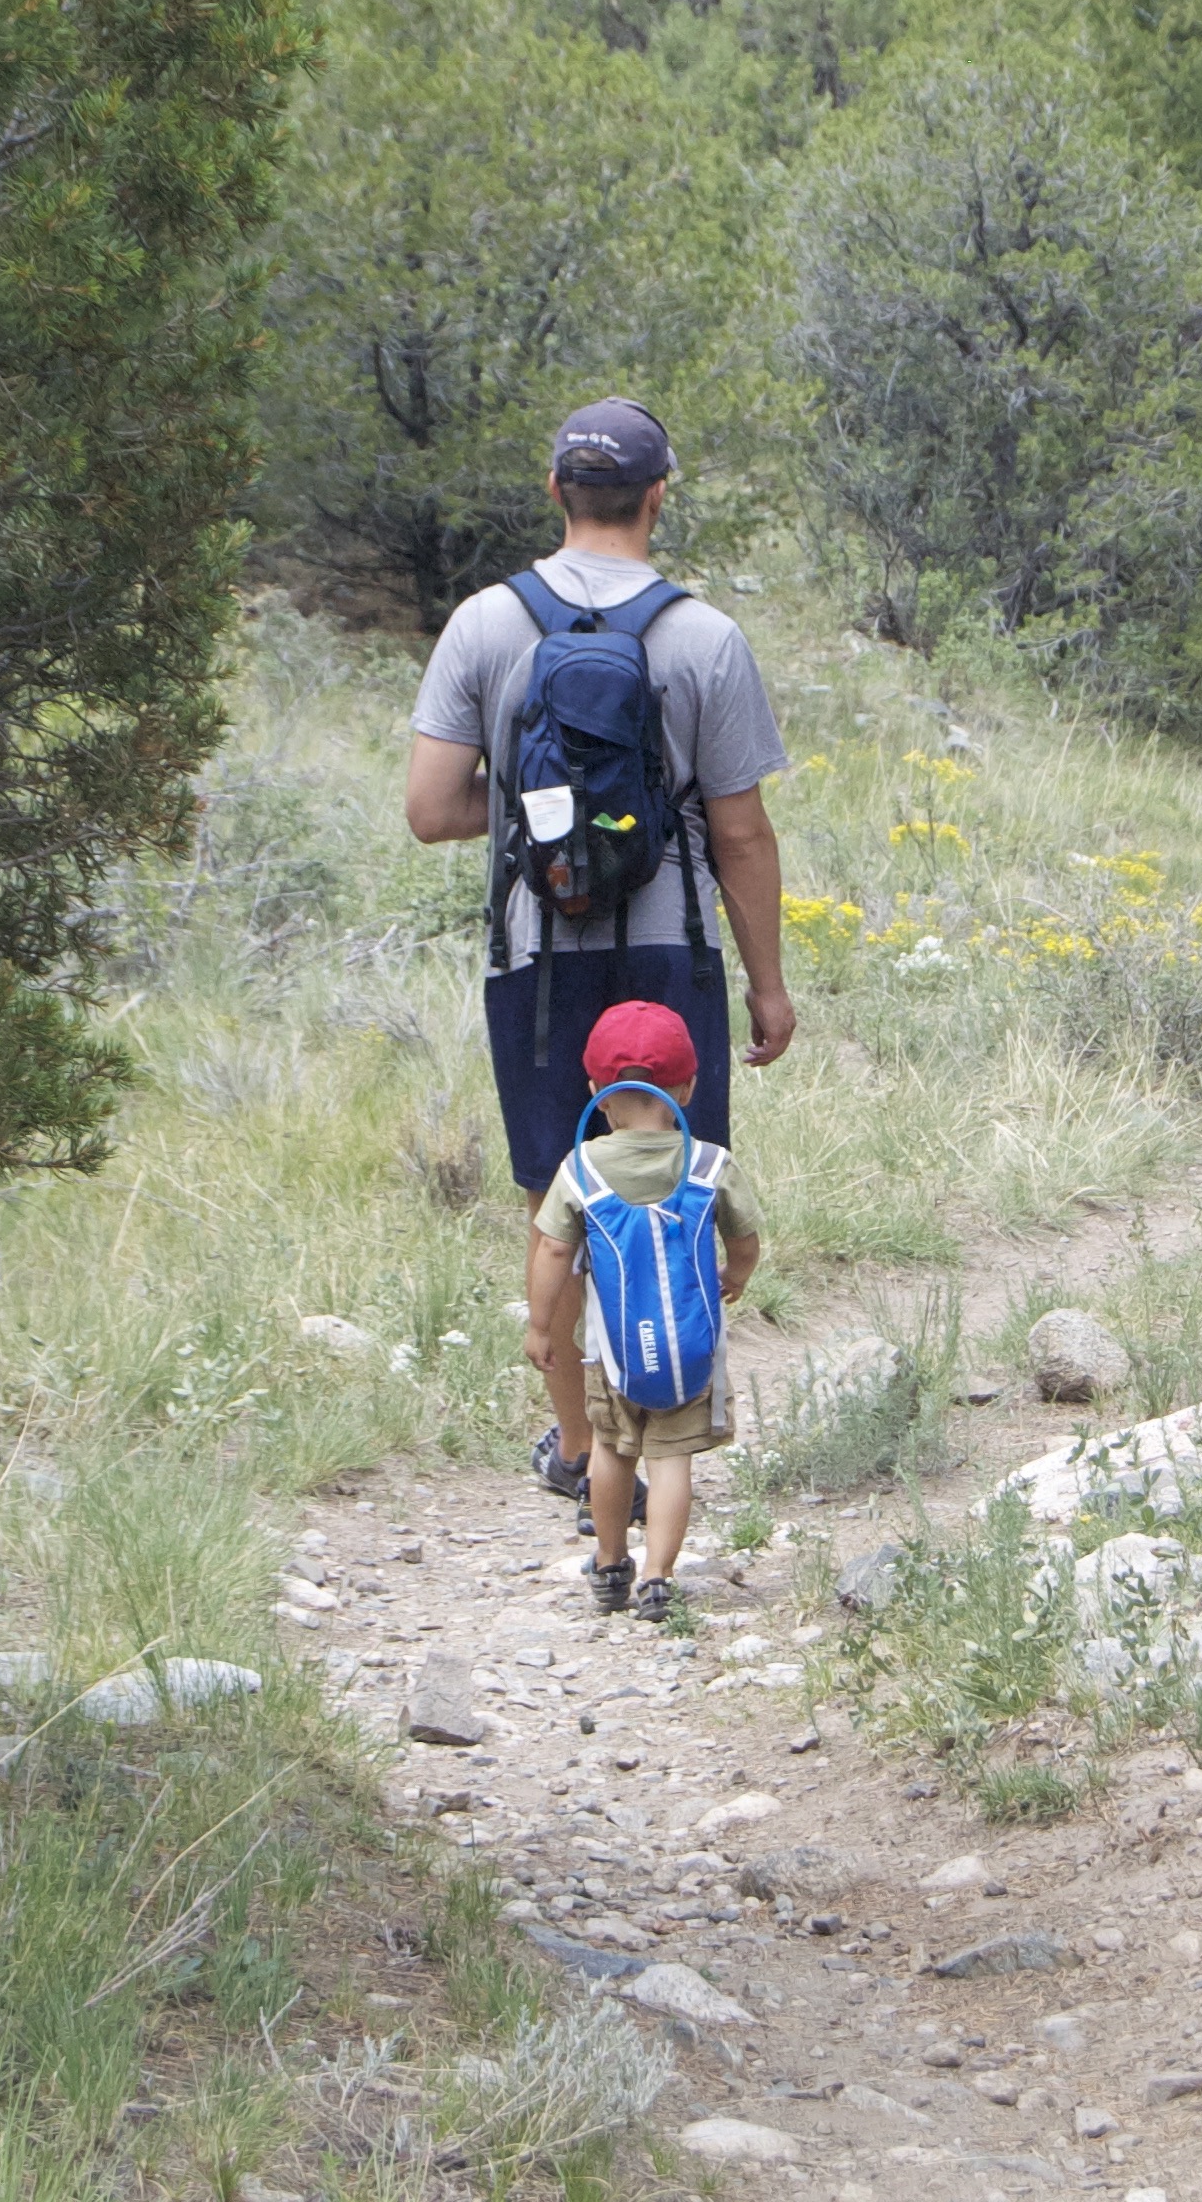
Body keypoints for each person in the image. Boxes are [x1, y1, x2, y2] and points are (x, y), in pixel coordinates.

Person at [404, 396, 794, 1522]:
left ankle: (580, 1445)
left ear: (553, 492)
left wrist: (547, 822)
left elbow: (431, 809)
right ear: (659, 493)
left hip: (535, 957)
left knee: (558, 1196)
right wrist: (766, 981)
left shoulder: (483, 623)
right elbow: (739, 832)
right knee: (668, 1190)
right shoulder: (703, 637)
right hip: (669, 953)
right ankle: (664, 1431)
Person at [525, 998, 758, 1618]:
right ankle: (658, 1574)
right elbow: (745, 1239)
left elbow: (552, 1250)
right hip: (691, 1349)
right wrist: (736, 1272)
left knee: (612, 1450)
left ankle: (608, 1565)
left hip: (613, 1353)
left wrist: (543, 1324)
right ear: (687, 1087)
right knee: (671, 1459)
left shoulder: (582, 1170)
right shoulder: (709, 1163)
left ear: (598, 1093)